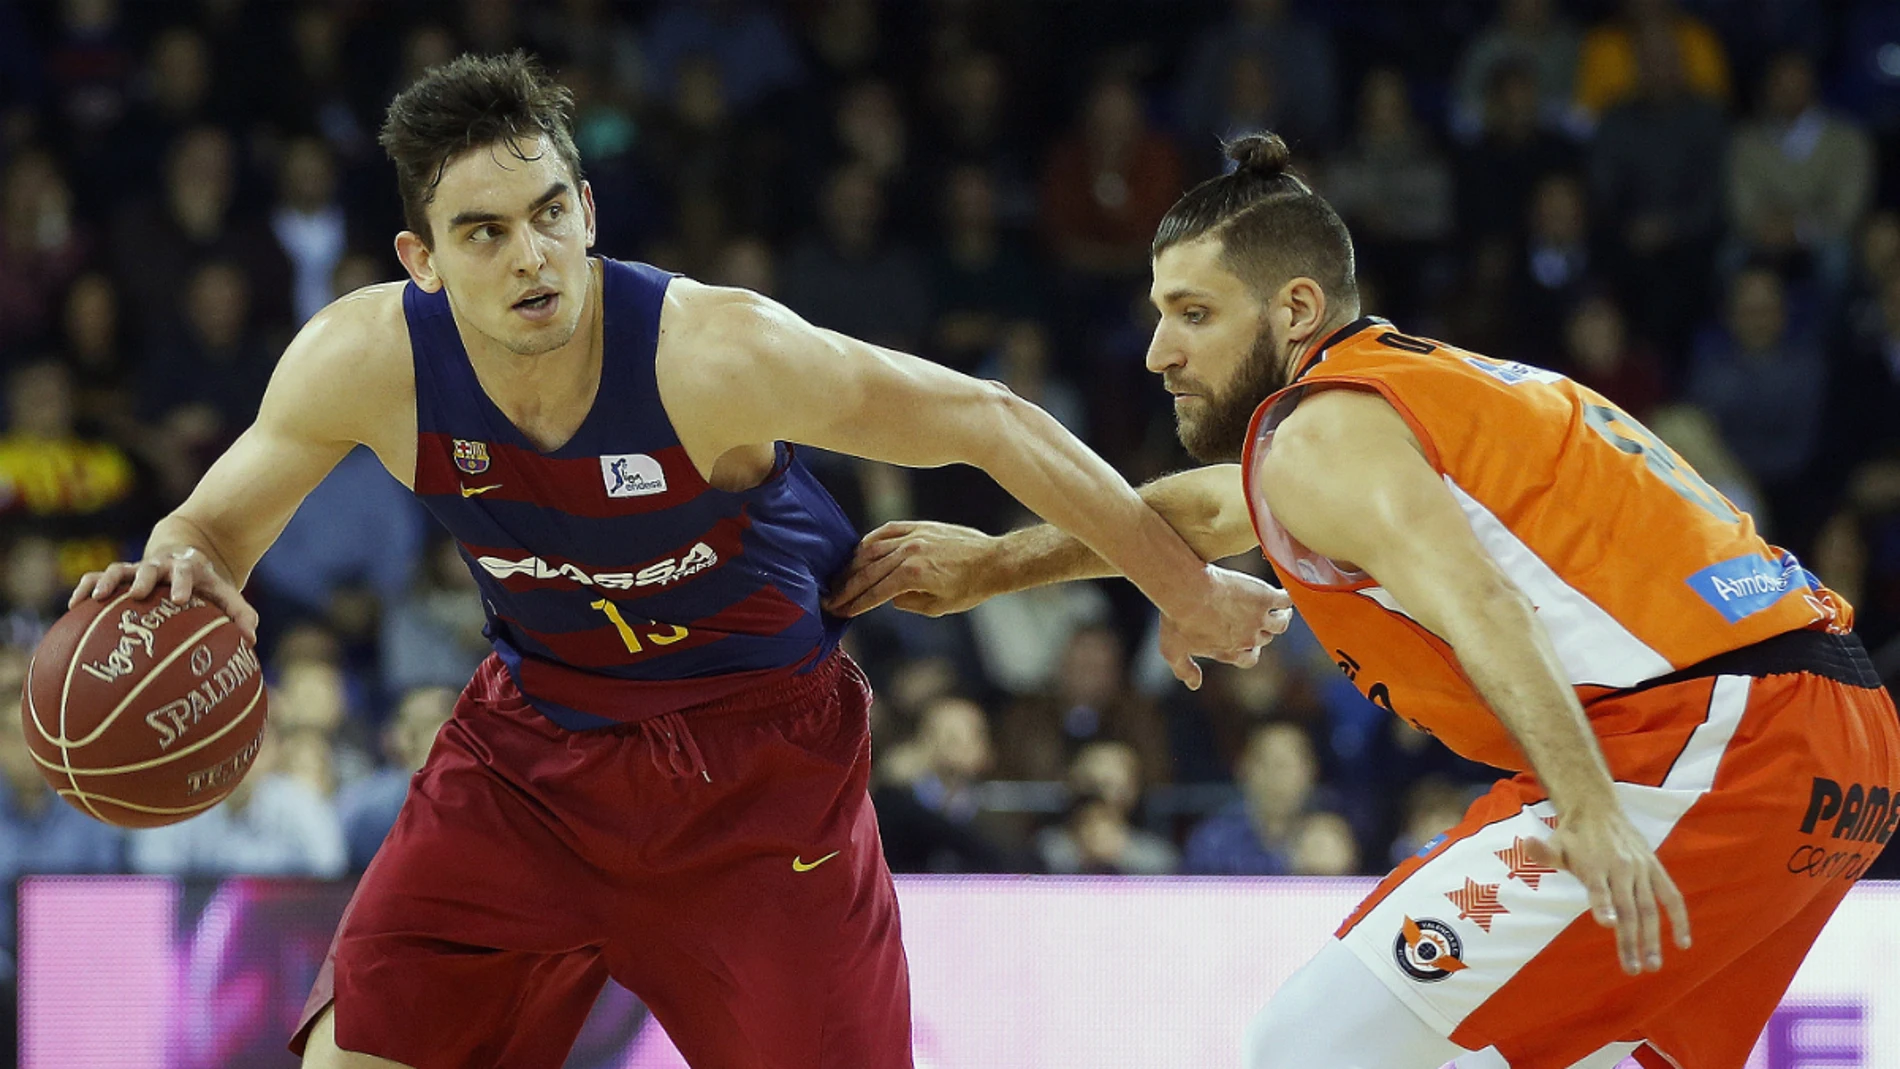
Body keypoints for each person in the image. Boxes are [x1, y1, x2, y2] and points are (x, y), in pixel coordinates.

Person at [69, 52, 1288, 1069]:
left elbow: (990, 419)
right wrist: (180, 561)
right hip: (530, 758)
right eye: (483, 233)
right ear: (422, 259)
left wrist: (1179, 591)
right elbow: (213, 526)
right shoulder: (364, 360)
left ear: (588, 211)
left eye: (549, 214)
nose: (530, 256)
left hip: (760, 775)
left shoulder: (714, 352)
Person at [827, 131, 1900, 1068]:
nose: (1158, 350)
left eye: (1192, 313)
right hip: (1836, 744)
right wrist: (994, 566)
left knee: (1311, 1043)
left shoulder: (1323, 434)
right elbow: (1207, 514)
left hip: (1700, 745)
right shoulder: (1406, 392)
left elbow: (1475, 600)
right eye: (1157, 313)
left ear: (1294, 307)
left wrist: (1584, 809)